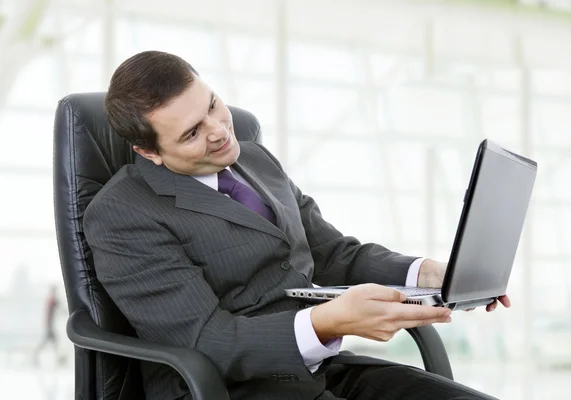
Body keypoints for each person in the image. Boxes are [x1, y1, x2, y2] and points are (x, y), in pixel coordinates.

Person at [83, 50, 510, 400]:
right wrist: (328, 322)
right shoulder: (122, 214)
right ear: (149, 152)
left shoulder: (254, 160)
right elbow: (206, 341)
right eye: (192, 133)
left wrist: (428, 274)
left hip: (322, 371)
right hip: (229, 389)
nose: (219, 131)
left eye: (212, 105)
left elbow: (331, 255)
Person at [33, 284, 61, 365]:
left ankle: (36, 356)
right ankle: (36, 356)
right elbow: (58, 308)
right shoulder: (52, 300)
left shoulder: (51, 300)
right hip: (50, 325)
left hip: (50, 325)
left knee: (51, 341)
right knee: (50, 341)